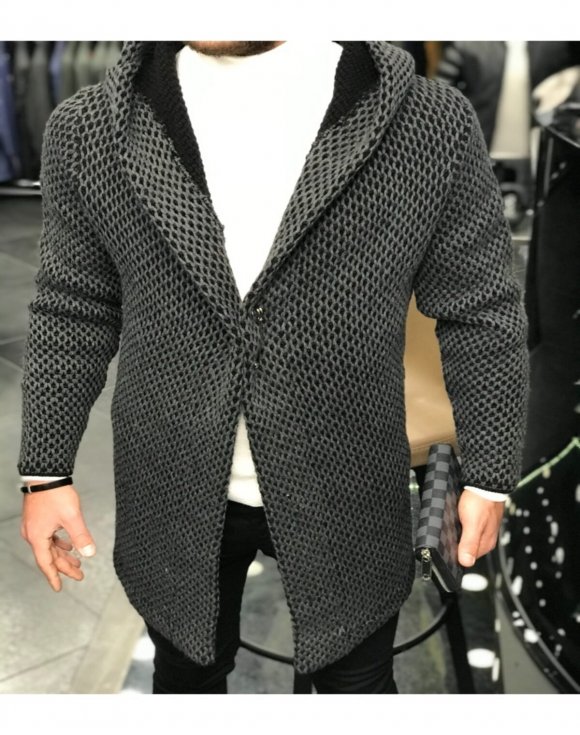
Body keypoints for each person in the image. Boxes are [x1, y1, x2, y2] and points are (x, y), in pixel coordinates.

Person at [17, 41, 530, 694]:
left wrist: (489, 474)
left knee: (357, 684)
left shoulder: (425, 119)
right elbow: (74, 305)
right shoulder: (92, 126)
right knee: (186, 679)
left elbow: (480, 307)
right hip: (169, 482)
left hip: (350, 481)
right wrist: (45, 470)